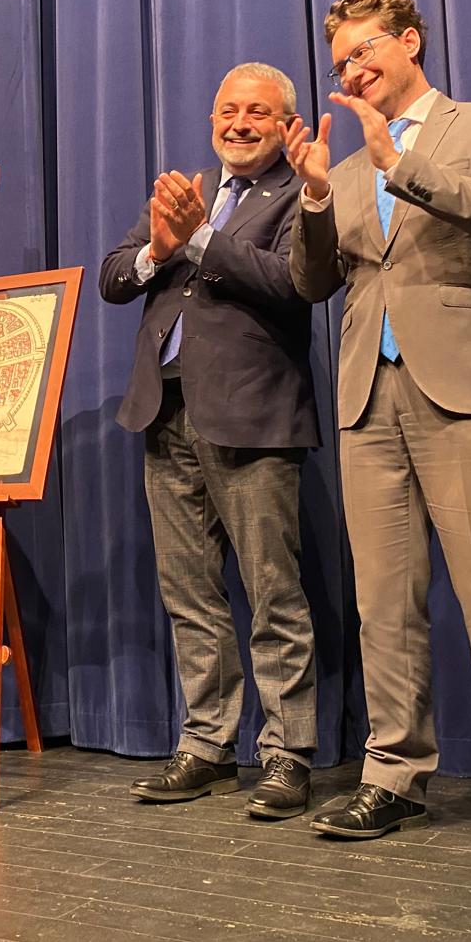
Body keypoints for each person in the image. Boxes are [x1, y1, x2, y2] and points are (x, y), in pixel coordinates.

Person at [284, 0, 471, 872]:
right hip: (367, 397)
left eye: (365, 50)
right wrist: (308, 199)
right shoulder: (338, 170)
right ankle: (395, 772)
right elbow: (311, 284)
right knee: (385, 604)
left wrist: (398, 163)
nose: (351, 69)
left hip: (467, 389)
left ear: (410, 41)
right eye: (339, 62)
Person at [99, 62, 321, 815]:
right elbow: (113, 277)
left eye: (257, 111)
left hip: (254, 415)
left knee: (272, 593)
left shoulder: (299, 194)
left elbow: (293, 282)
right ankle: (205, 746)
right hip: (165, 413)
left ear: (285, 124)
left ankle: (288, 754)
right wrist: (160, 249)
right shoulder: (187, 189)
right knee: (189, 593)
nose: (239, 122)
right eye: (228, 109)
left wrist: (196, 240)